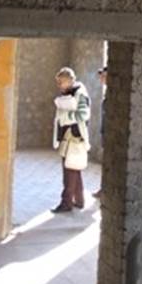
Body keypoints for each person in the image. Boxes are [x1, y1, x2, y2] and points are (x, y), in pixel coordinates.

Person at [51, 67, 91, 213]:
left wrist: (66, 117)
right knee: (74, 169)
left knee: (69, 171)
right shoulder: (68, 93)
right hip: (68, 137)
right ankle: (79, 200)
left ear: (69, 81)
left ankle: (66, 203)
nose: (59, 85)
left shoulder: (80, 94)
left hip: (74, 137)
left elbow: (84, 115)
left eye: (61, 82)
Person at [92, 66, 107, 199]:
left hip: (108, 133)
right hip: (106, 132)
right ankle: (104, 188)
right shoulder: (108, 92)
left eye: (103, 75)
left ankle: (105, 189)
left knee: (108, 163)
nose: (101, 78)